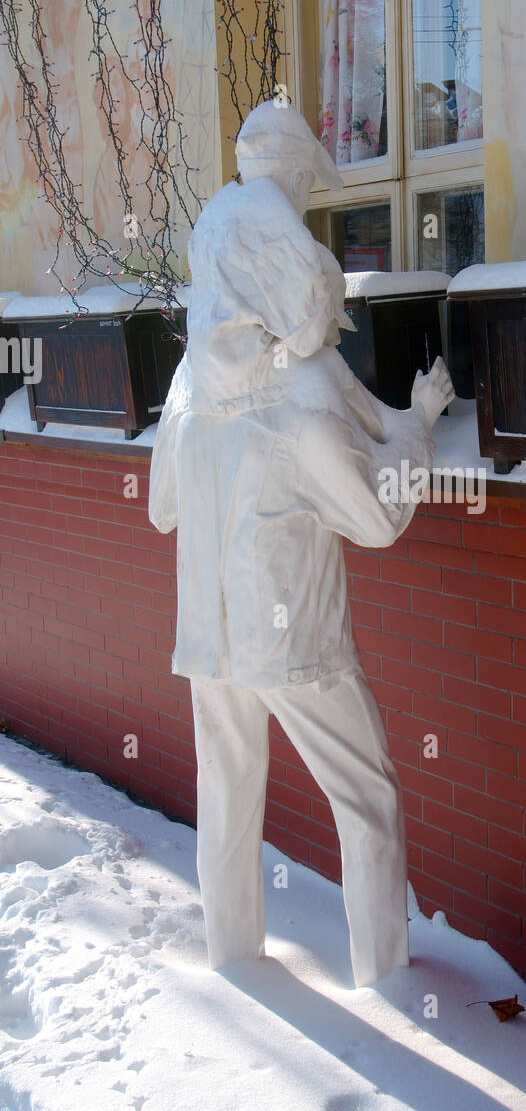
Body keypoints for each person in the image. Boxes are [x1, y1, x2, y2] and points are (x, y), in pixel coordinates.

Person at [148, 100, 454, 987]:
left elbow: (165, 505)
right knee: (368, 800)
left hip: (210, 640)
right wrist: (421, 426)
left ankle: (234, 960)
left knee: (229, 796)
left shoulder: (186, 384)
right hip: (295, 643)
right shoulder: (306, 392)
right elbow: (378, 517)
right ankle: (385, 985)